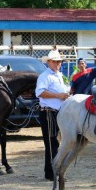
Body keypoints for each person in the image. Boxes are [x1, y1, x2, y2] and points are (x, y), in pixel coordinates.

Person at [35, 50, 70, 181]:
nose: (57, 63)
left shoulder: (58, 75)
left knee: (56, 142)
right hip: (48, 111)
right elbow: (40, 92)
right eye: (55, 61)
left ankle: (53, 171)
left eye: (59, 61)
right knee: (52, 143)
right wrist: (59, 95)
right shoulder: (45, 76)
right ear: (49, 62)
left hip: (57, 111)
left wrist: (65, 94)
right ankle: (52, 173)